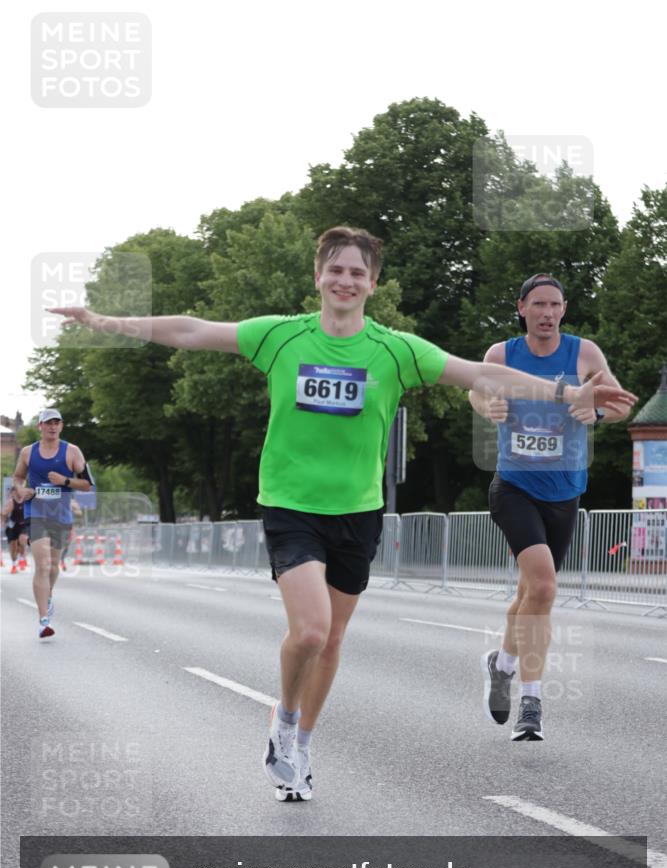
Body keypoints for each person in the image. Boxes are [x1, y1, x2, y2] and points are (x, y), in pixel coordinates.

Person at [49, 229, 637, 798]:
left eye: (358, 272)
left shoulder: (395, 349)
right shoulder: (279, 336)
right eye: (336, 269)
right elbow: (195, 330)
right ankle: (282, 719)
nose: (346, 280)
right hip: (290, 507)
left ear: (373, 283)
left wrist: (568, 395)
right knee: (310, 630)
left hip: (359, 513)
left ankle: (301, 745)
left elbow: (481, 374)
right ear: (318, 276)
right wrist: (106, 322)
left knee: (332, 643)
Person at [469, 274, 634, 741]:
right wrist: (489, 407)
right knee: (543, 586)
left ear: (564, 309)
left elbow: (619, 404)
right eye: (538, 304)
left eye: (555, 305)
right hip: (515, 486)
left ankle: (500, 665)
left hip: (565, 491)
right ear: (521, 308)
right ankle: (532, 703)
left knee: (530, 594)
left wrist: (597, 412)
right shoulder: (502, 355)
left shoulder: (584, 354)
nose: (547, 312)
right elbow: (474, 390)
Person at [12, 408, 93, 638]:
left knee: (54, 565)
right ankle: (43, 620)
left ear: (61, 426)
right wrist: (21, 489)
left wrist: (65, 480)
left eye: (57, 423)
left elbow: (88, 484)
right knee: (43, 564)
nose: (53, 427)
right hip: (36, 512)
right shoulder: (28, 453)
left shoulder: (72, 452)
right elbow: (18, 477)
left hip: (61, 513)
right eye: (48, 423)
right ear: (40, 426)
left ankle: (48, 596)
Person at [2, 486, 29, 573]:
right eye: (15, 492)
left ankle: (21, 559)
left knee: (22, 540)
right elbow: (3, 513)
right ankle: (14, 564)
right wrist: (3, 518)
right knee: (13, 547)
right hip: (12, 526)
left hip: (23, 525)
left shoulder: (26, 501)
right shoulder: (11, 502)